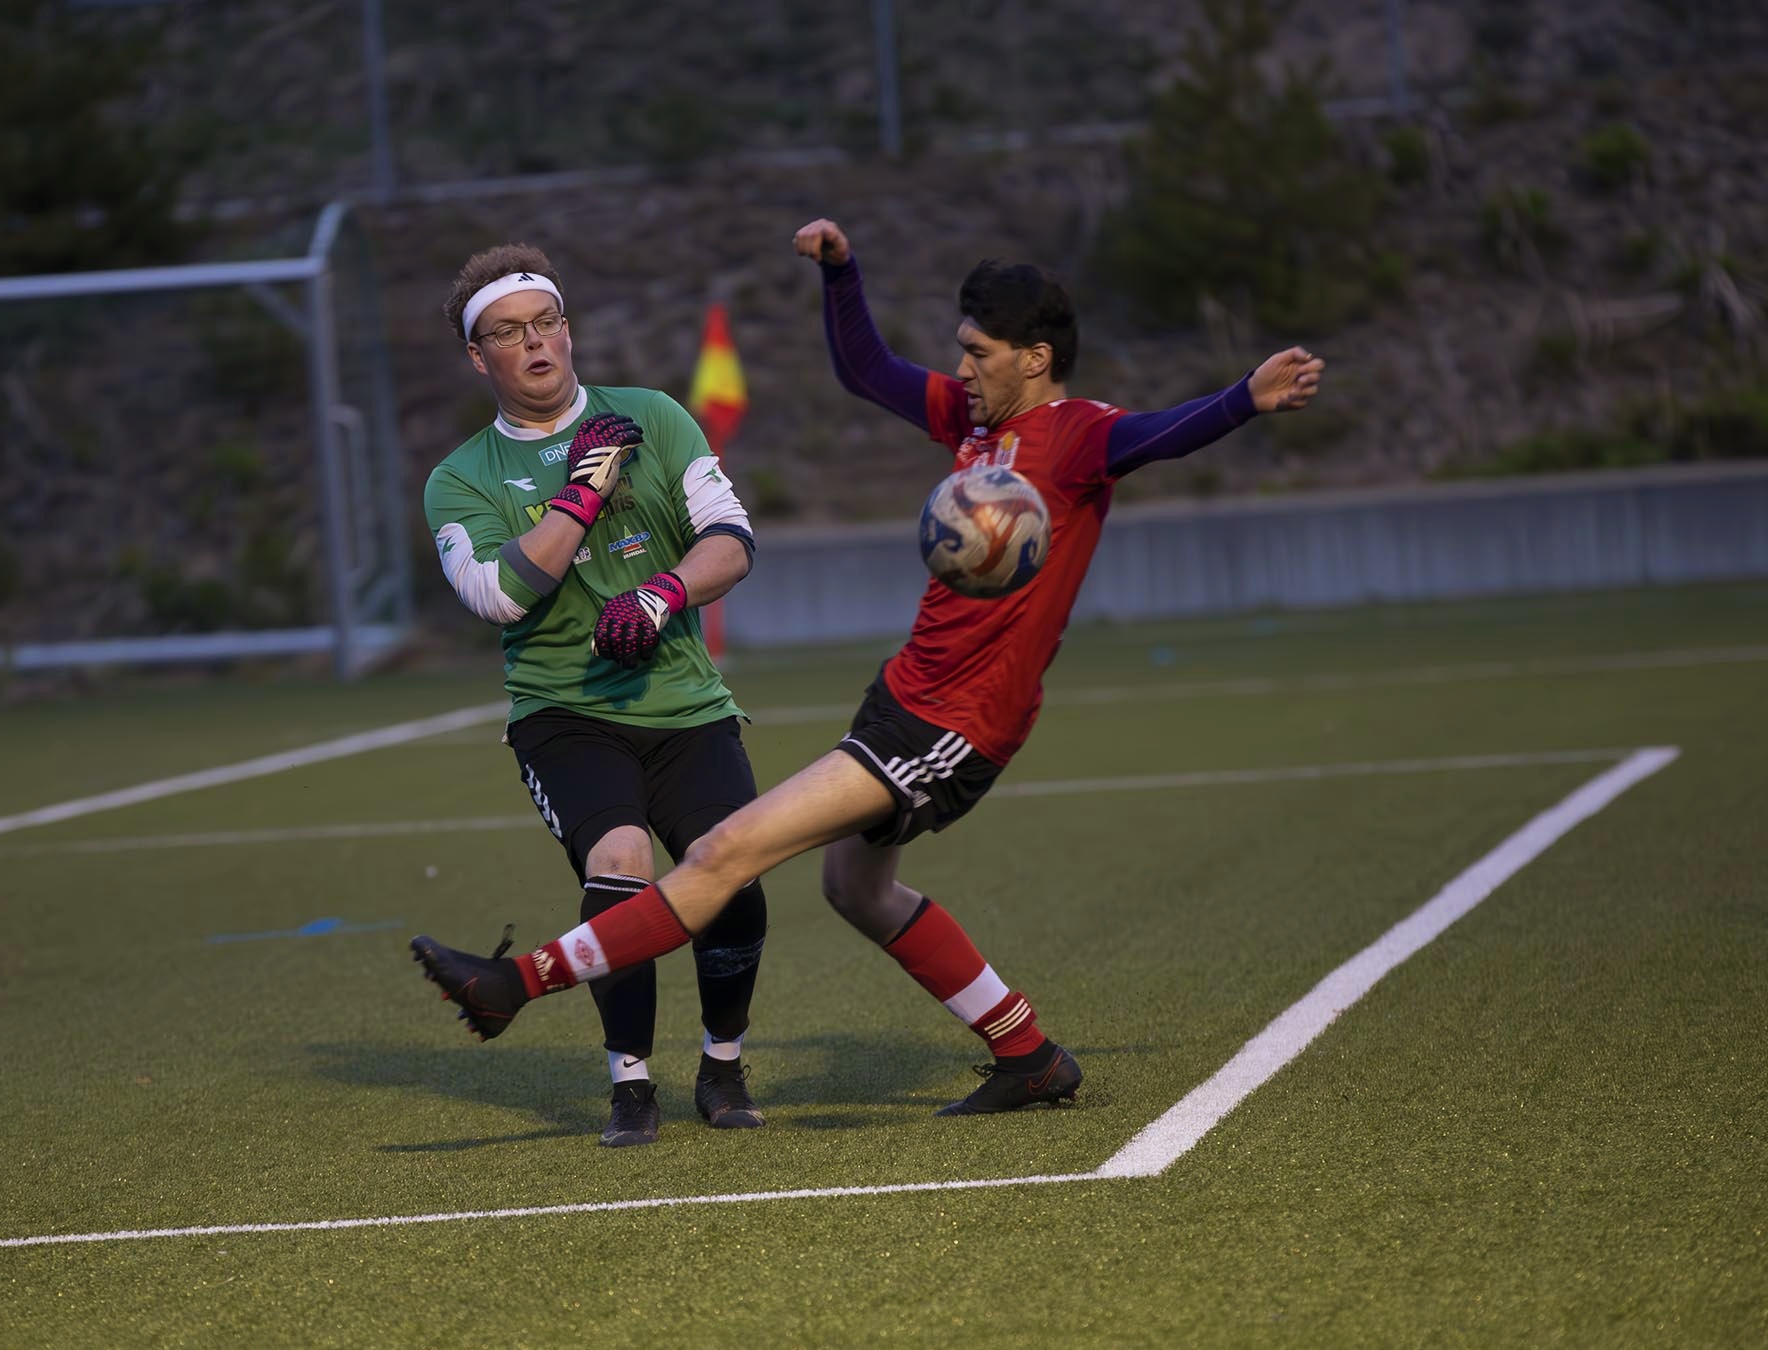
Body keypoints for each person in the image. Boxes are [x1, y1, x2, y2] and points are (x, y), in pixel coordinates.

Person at [410, 218, 1325, 1115]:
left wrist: (1244, 396)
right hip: (903, 697)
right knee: (855, 887)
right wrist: (841, 274)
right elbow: (866, 371)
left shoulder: (1079, 434)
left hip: (957, 720)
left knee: (726, 851)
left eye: (977, 351)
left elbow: (1161, 434)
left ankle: (513, 985)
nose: (960, 370)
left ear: (1034, 357)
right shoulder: (975, 425)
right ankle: (1027, 1053)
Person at [420, 243, 772, 1147]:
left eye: (546, 323)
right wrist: (581, 495)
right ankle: (631, 1084)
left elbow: (729, 538)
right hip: (564, 713)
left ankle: (723, 1065)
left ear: (568, 330)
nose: (534, 344)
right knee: (621, 857)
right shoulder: (460, 479)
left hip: (686, 703)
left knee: (731, 869)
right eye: (507, 333)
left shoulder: (654, 415)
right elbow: (498, 595)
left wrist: (664, 591)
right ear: (478, 356)